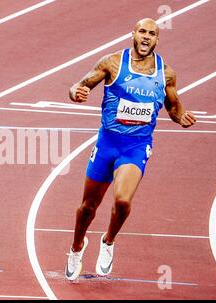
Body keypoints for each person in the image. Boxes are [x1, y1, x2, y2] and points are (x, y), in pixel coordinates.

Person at [65, 18, 196, 281]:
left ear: (157, 39)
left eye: (152, 34)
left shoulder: (166, 73)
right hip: (107, 144)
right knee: (87, 207)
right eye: (142, 32)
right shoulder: (112, 63)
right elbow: (79, 85)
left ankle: (108, 242)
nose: (146, 37)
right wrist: (75, 92)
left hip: (136, 147)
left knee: (123, 201)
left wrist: (180, 116)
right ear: (133, 35)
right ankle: (77, 246)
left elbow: (173, 106)